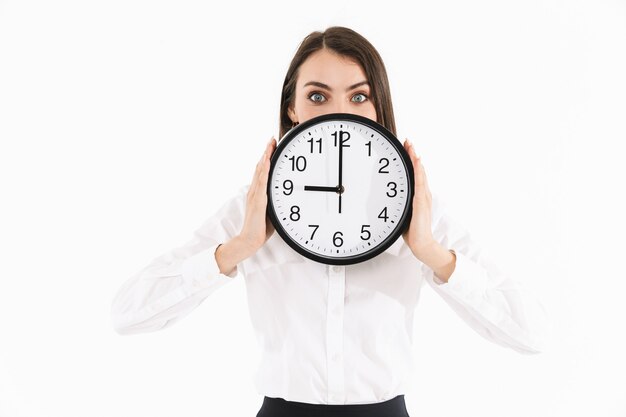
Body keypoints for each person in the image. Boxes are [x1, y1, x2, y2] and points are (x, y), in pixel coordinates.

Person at [111, 26, 549, 417]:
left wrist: (434, 256)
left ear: (379, 109)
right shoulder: (253, 209)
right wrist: (236, 250)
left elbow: (531, 333)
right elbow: (128, 313)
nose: (339, 113)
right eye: (317, 96)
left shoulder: (417, 209)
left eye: (359, 96)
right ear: (293, 110)